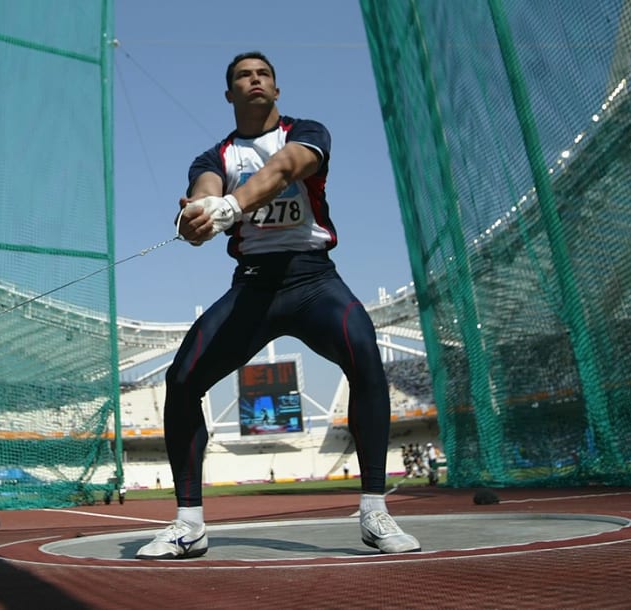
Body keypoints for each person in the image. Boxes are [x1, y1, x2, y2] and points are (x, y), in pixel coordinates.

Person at [136, 51, 420, 559]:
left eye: (263, 73)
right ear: (229, 94)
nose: (255, 80)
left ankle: (375, 511)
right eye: (243, 76)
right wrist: (198, 216)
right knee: (181, 380)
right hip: (253, 288)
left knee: (365, 351)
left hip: (313, 280)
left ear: (276, 88)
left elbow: (288, 166)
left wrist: (232, 205)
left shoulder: (305, 131)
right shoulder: (213, 158)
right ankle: (188, 523)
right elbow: (204, 194)